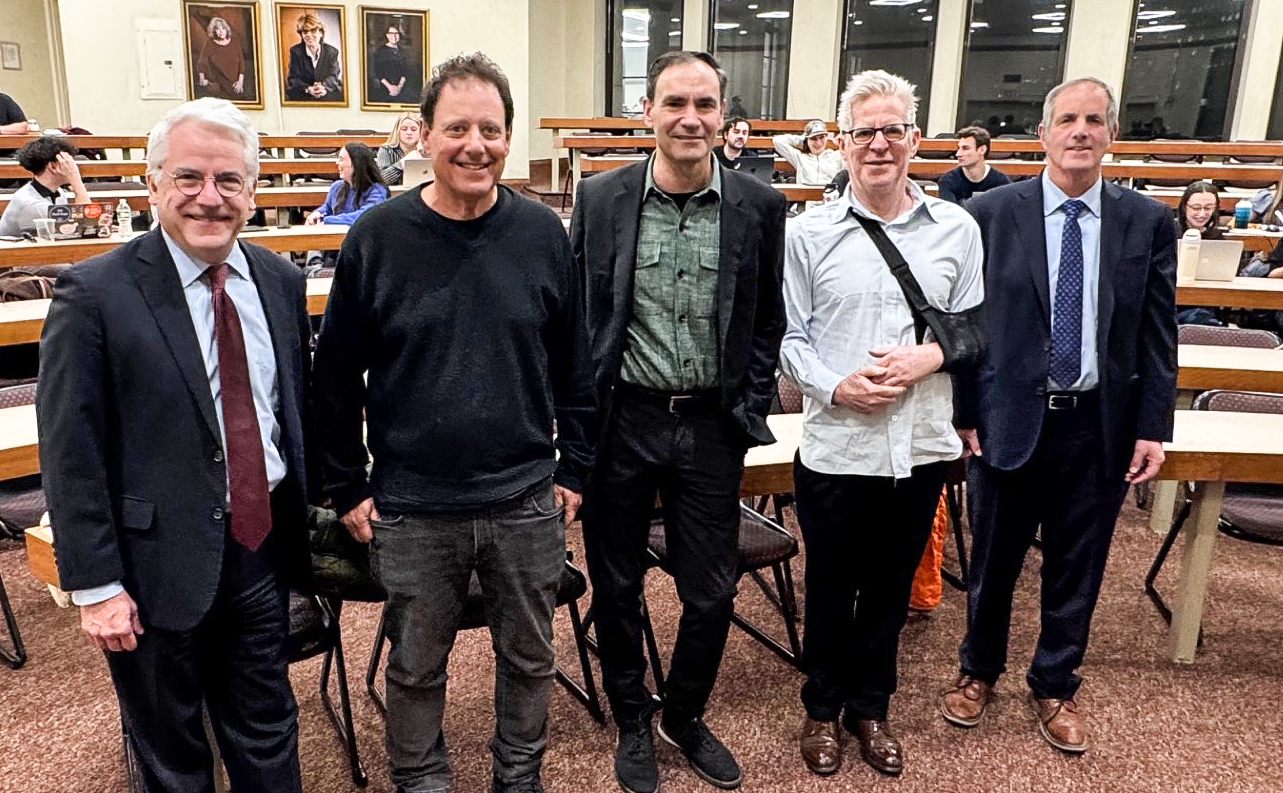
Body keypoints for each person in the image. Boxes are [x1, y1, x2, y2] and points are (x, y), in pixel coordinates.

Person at [312, 52, 595, 793]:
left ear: (508, 137)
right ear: (424, 136)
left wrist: (576, 469)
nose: (476, 144)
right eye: (458, 127)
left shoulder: (541, 233)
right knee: (414, 665)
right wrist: (346, 487)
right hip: (412, 505)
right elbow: (335, 377)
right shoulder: (377, 238)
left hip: (526, 499)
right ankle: (421, 779)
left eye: (491, 129)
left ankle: (518, 776)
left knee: (531, 657)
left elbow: (576, 365)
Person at [37, 97, 312, 792]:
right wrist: (96, 585)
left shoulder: (279, 282)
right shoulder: (94, 292)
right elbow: (71, 449)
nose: (209, 198)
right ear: (154, 185)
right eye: (189, 178)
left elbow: (285, 414)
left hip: (258, 548)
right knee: (171, 752)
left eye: (229, 181)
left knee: (268, 725)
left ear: (254, 190)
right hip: (151, 562)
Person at [571, 50, 786, 793]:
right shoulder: (601, 198)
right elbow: (579, 314)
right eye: (674, 103)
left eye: (703, 104)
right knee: (617, 581)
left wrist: (748, 405)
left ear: (722, 113)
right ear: (648, 111)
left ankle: (683, 714)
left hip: (708, 426)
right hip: (620, 417)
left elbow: (767, 322)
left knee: (711, 591)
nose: (689, 118)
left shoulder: (758, 205)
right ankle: (632, 714)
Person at [941, 77, 1177, 754]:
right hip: (1006, 417)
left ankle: (1053, 681)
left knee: (1078, 564)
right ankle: (976, 668)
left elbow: (1159, 333)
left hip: (1097, 423)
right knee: (992, 560)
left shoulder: (1145, 220)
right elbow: (963, 325)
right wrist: (962, 412)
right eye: (1066, 119)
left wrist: (1151, 425)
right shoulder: (989, 212)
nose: (1080, 130)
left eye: (1094, 120)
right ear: (1041, 134)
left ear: (1110, 136)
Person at [780, 69, 983, 779]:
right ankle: (820, 707)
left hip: (919, 445)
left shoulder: (956, 229)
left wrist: (929, 355)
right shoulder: (806, 233)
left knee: (891, 588)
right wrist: (834, 382)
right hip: (837, 443)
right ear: (840, 142)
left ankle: (871, 707)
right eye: (863, 131)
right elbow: (788, 336)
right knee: (831, 584)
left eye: (891, 129)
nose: (877, 143)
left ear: (913, 139)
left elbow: (973, 329)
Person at [0, 137, 91, 236]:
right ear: (52, 167)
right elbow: (88, 226)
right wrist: (76, 180)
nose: (74, 167)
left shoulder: (58, 192)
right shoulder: (33, 204)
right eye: (69, 163)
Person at [305, 142, 389, 225]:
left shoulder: (377, 191)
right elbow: (328, 207)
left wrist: (326, 220)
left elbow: (364, 216)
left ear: (356, 163)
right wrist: (318, 213)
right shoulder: (337, 186)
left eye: (341, 159)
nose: (337, 163)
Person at [936, 126, 1010, 204]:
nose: (958, 154)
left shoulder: (1002, 182)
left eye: (965, 148)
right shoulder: (948, 181)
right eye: (959, 148)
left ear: (982, 150)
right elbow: (949, 214)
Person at [285, 13, 342, 101]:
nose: (308, 35)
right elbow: (293, 78)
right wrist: (308, 89)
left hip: (327, 93)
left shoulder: (332, 52)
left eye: (313, 31)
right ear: (301, 35)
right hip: (303, 94)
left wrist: (323, 87)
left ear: (321, 33)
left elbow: (333, 75)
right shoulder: (295, 52)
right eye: (305, 32)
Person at [773, 119, 842, 185]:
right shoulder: (799, 157)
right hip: (805, 196)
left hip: (831, 195)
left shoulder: (837, 156)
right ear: (807, 140)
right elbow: (777, 141)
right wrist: (802, 140)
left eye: (821, 137)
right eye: (813, 138)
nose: (818, 143)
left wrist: (843, 142)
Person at [369, 23, 420, 104]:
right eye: (391, 34)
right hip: (385, 90)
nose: (394, 36)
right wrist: (390, 87)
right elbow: (378, 72)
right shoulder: (380, 51)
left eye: (396, 34)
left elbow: (406, 71)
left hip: (402, 89)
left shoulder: (403, 51)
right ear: (387, 35)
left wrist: (399, 87)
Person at [195, 16, 245, 99]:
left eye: (223, 29)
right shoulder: (209, 43)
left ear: (226, 29)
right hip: (218, 85)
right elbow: (201, 62)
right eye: (217, 29)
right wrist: (202, 78)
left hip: (236, 84)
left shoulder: (235, 41)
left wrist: (240, 82)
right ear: (214, 31)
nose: (221, 32)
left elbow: (241, 63)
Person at [375, 111, 422, 184]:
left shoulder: (427, 150)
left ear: (420, 132)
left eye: (413, 129)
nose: (409, 133)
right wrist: (403, 163)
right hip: (393, 194)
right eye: (404, 129)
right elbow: (381, 180)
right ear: (397, 131)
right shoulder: (386, 150)